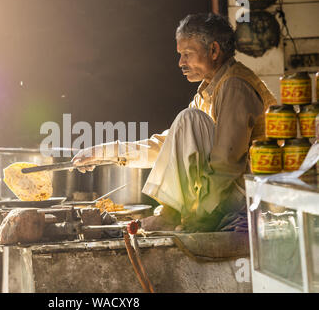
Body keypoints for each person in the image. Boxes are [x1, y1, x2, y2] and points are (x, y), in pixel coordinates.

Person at [72, 13, 277, 232]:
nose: (181, 63)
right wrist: (105, 152)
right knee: (188, 120)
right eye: (181, 55)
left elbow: (225, 165)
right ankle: (173, 214)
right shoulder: (209, 91)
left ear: (214, 51)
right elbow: (166, 146)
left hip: (253, 197)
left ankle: (172, 214)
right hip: (228, 194)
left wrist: (197, 215)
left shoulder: (235, 86)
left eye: (187, 54)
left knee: (189, 119)